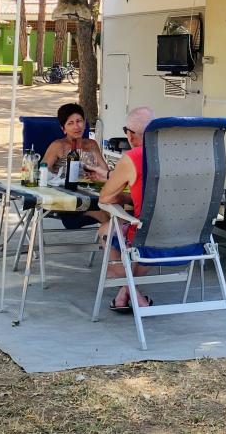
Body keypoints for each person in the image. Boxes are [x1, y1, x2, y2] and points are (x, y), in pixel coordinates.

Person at [83, 106, 154, 312]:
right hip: (186, 235)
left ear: (131, 135)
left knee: (107, 230)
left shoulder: (134, 157)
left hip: (146, 235)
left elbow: (105, 198)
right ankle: (128, 292)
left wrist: (114, 184)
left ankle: (132, 293)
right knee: (134, 235)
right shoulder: (175, 154)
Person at [43, 103, 111, 233]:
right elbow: (41, 171)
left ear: (84, 123)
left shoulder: (91, 144)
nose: (76, 126)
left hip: (92, 194)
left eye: (79, 121)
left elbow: (105, 170)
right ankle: (118, 243)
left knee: (119, 209)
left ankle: (114, 239)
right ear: (63, 128)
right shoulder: (58, 146)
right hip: (68, 199)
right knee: (108, 216)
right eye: (71, 123)